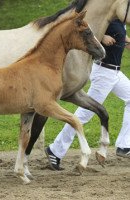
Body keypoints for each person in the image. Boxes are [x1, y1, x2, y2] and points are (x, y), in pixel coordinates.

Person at [46, 19, 130, 170]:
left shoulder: (121, 19)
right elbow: (87, 25)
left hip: (116, 73)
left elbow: (123, 39)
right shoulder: (108, 15)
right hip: (104, 73)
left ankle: (124, 145)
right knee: (84, 114)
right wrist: (101, 36)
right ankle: (55, 150)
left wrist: (125, 40)